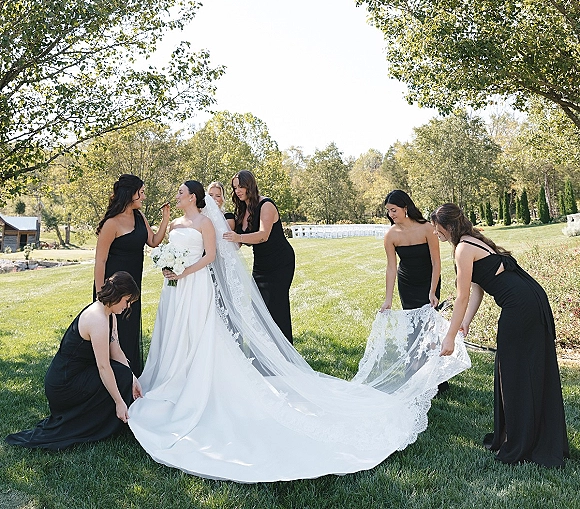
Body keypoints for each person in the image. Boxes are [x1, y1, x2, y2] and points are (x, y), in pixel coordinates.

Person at [128, 185, 470, 482]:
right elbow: (157, 241)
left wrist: (433, 288)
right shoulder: (178, 220)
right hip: (177, 287)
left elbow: (234, 244)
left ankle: (432, 376)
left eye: (393, 210)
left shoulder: (247, 212)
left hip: (205, 277)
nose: (390, 216)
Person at [433, 203, 569, 468]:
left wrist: (449, 337)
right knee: (518, 368)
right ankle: (525, 434)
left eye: (437, 228)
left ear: (447, 226)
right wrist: (466, 323)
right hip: (530, 299)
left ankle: (523, 442)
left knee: (514, 371)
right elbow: (477, 289)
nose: (436, 233)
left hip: (521, 307)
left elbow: (461, 297)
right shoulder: (473, 241)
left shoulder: (463, 248)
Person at [6, 272, 142, 450]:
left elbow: (116, 351)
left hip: (78, 373)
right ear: (117, 296)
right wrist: (118, 402)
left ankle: (110, 420)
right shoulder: (98, 318)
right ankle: (105, 421)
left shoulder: (109, 314)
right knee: (117, 376)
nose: (128, 306)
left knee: (123, 374)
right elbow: (103, 367)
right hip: (64, 384)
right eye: (127, 300)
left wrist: (132, 378)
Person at [93, 174, 170, 376]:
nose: (144, 197)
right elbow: (100, 261)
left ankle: (130, 377)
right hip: (112, 288)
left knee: (129, 330)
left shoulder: (139, 217)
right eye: (141, 192)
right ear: (130, 194)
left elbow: (153, 241)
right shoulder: (111, 223)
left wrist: (165, 220)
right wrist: (101, 294)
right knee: (113, 332)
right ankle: (113, 377)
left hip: (132, 286)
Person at [223, 170, 295, 343]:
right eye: (235, 188)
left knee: (276, 309)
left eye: (241, 186)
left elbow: (263, 235)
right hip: (261, 265)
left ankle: (285, 357)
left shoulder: (266, 205)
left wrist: (238, 237)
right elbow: (237, 243)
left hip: (280, 263)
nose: (238, 191)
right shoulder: (242, 210)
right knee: (258, 310)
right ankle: (267, 356)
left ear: (250, 185)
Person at [380, 190, 441, 311]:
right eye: (388, 210)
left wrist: (432, 291)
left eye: (394, 210)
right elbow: (391, 268)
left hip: (429, 281)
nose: (390, 214)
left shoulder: (427, 228)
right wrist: (388, 299)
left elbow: (436, 262)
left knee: (429, 322)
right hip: (407, 285)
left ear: (405, 208)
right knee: (411, 325)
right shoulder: (390, 235)